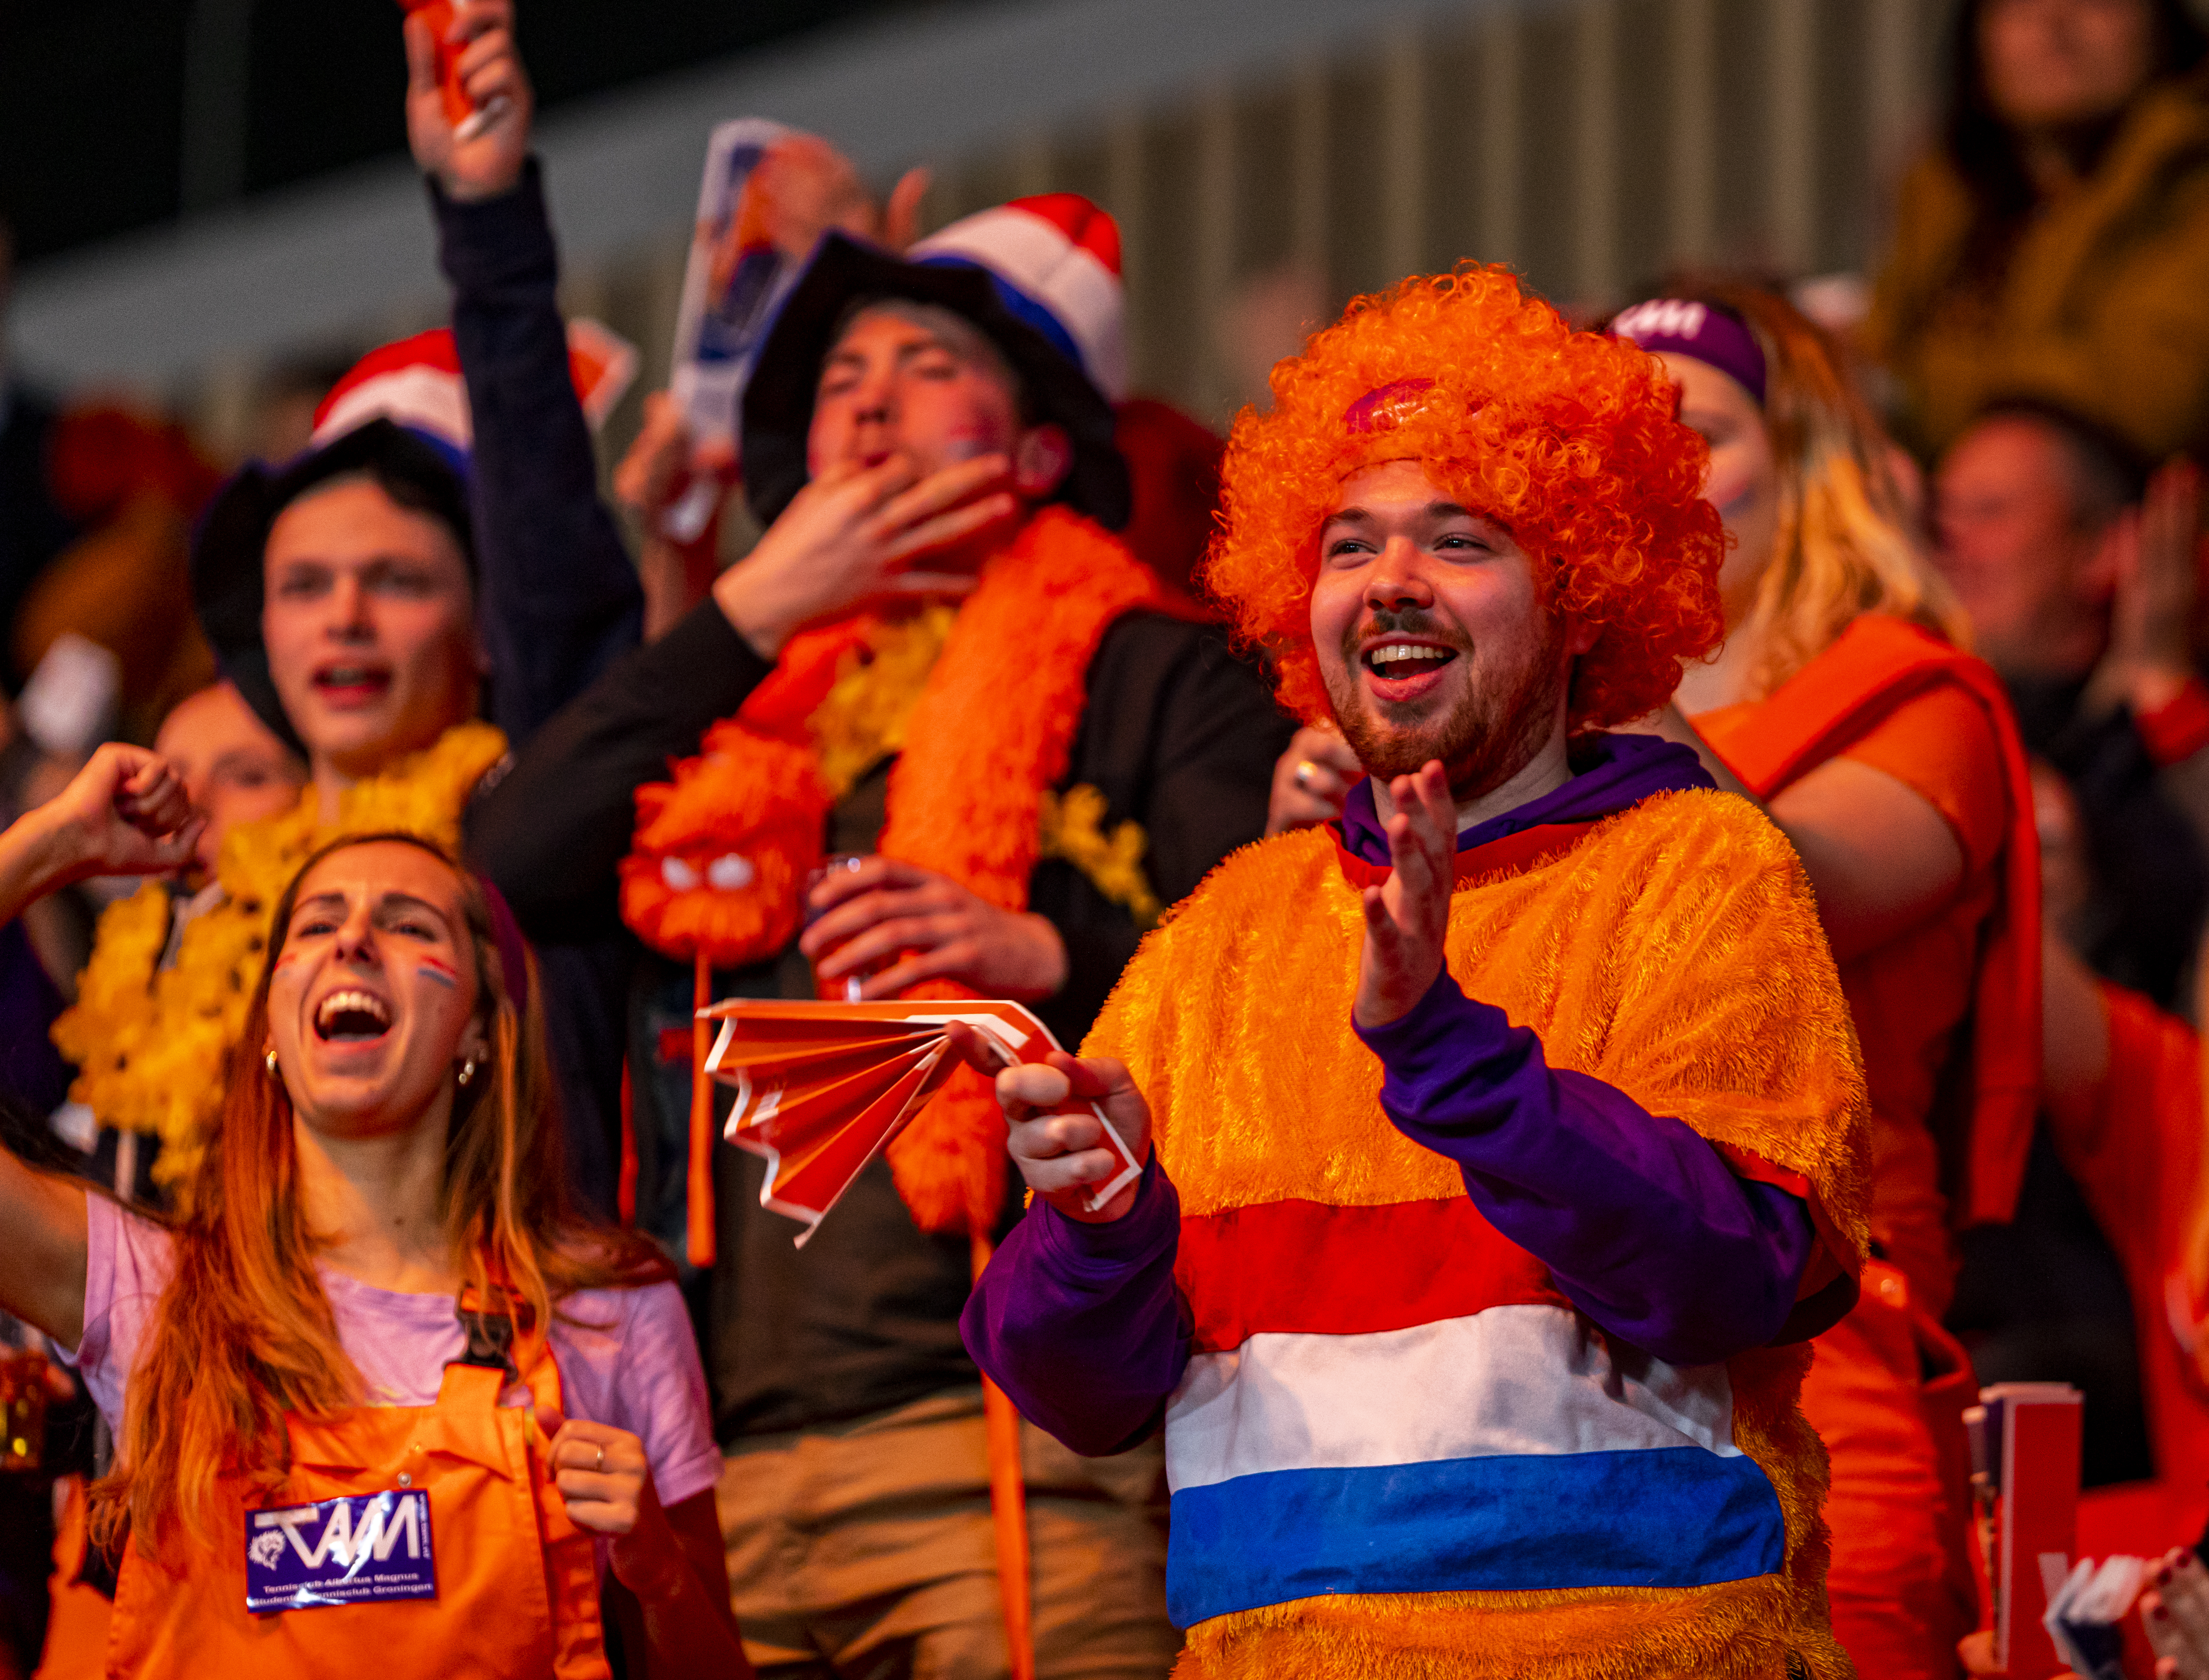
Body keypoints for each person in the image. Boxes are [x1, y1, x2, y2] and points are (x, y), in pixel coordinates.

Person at [961, 266, 1872, 1678]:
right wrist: (1098, 1220)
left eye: (1460, 538)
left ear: (1579, 594)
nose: (1390, 580)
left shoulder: (1702, 867)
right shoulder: (1220, 929)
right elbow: (1076, 1392)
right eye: (1347, 543)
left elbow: (1736, 1273)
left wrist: (1451, 1053)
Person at [469, 192, 1293, 1676]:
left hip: (1014, 1455)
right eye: (837, 379)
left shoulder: (1153, 672)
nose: (862, 395)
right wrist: (750, 606)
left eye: (918, 362)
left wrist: (1050, 952)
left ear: (1039, 451)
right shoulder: (743, 719)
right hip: (727, 1466)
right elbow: (514, 862)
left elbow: (1274, 975)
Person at [49, 0, 646, 1203]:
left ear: (484, 630)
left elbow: (555, 577)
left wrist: (486, 218)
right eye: (305, 585)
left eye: (400, 581)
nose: (345, 619)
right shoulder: (186, 911)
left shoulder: (524, 840)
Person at [0, 829, 742, 1677]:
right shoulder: (149, 1291)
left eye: (411, 925)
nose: (352, 939)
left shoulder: (614, 1311)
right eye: (315, 926)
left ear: (477, 1032)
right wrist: (51, 844)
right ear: (273, 1025)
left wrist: (658, 1571)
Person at [1606, 289, 2041, 1680]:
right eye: (1620, 431)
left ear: (1811, 474)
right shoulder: (1541, 711)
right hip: (1578, 1359)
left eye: (1702, 428)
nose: (1654, 459)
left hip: (1820, 1356)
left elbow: (1778, 886)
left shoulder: (1921, 696)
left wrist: (1609, 650)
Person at [1934, 398, 2209, 1005]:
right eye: (1940, 511)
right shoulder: (1917, 707)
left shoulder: (2149, 756)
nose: (1949, 540)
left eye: (1988, 511)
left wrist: (2160, 684)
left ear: (2107, 550)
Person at [1867, 0, 2209, 462]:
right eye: (2019, 4)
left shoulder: (2188, 175)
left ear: (2162, 27)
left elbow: (2152, 393)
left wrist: (1915, 387)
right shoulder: (1947, 187)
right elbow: (1874, 359)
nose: (2056, 22)